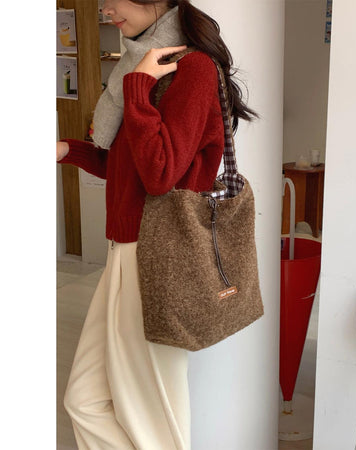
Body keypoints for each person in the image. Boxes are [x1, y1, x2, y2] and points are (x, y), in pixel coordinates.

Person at [57, 1, 257, 449]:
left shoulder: (192, 69)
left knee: (152, 419)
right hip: (127, 250)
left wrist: (138, 86)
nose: (106, 9)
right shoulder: (145, 64)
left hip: (157, 254)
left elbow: (161, 173)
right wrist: (69, 150)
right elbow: (128, 167)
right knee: (85, 401)